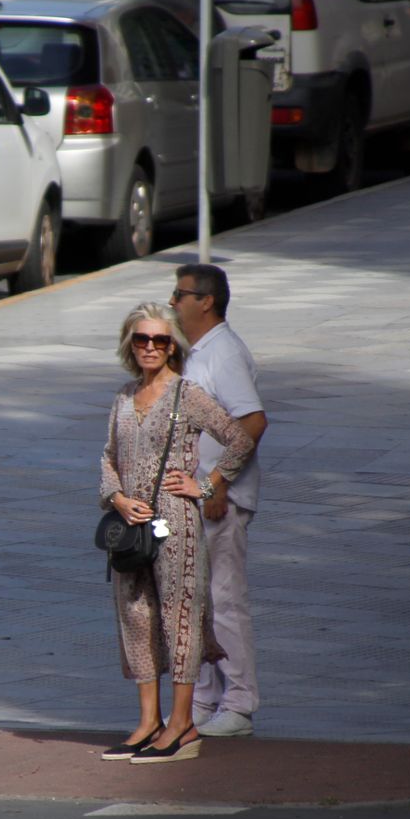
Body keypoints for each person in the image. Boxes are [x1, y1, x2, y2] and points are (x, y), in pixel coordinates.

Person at [99, 303, 255, 764]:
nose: (150, 347)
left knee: (178, 619)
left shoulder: (187, 394)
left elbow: (240, 436)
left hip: (176, 524)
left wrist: (206, 484)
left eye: (160, 341)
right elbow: (108, 456)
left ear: (173, 347)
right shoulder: (124, 397)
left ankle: (183, 724)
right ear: (130, 344)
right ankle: (149, 722)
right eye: (142, 339)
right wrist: (118, 499)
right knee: (136, 617)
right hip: (131, 526)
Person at [171, 264, 267, 738]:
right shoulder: (198, 353)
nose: (173, 302)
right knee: (196, 603)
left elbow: (252, 422)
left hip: (217, 499)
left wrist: (216, 483)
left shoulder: (223, 352)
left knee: (225, 600)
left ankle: (239, 702)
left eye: (180, 294)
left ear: (205, 301)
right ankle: (205, 699)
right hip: (193, 498)